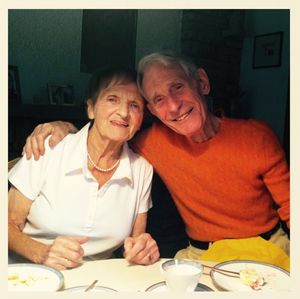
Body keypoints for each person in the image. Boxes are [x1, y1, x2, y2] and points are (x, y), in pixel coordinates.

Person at [22, 52, 290, 260]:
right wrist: (62, 128)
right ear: (152, 111)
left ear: (202, 83)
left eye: (178, 87)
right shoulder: (151, 142)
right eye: (159, 99)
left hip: (269, 247)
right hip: (203, 255)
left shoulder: (257, 136)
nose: (173, 106)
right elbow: (106, 133)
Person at [8, 68, 160, 271]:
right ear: (91, 108)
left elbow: (135, 241)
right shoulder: (48, 147)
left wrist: (142, 249)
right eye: (112, 99)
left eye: (134, 105)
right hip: (28, 274)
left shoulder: (142, 169)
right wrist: (41, 253)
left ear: (141, 118)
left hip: (96, 283)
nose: (124, 113)